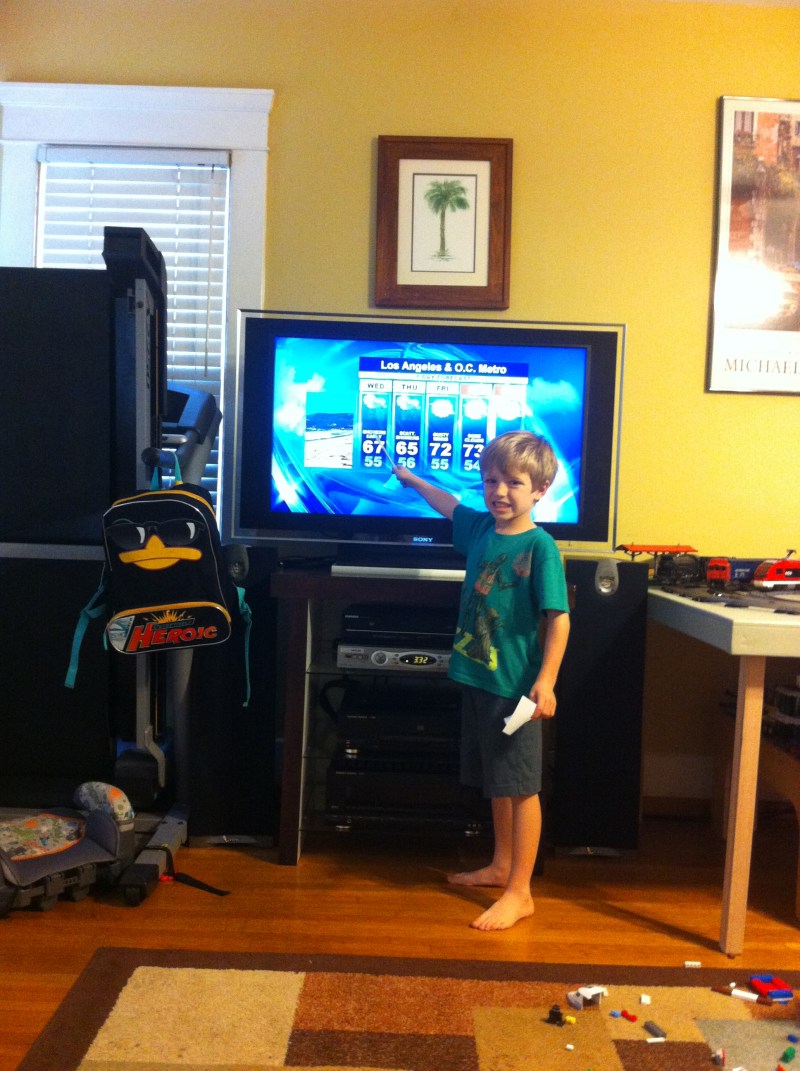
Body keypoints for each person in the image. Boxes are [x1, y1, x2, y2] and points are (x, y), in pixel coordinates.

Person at [392, 430, 570, 931]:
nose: (500, 491)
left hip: (515, 689)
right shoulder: (481, 530)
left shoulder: (540, 547)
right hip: (476, 678)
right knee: (498, 782)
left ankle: (521, 891)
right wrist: (412, 480)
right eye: (491, 480)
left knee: (522, 787)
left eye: (513, 482)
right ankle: (500, 866)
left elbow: (559, 618)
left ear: (540, 490)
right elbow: (449, 505)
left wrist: (546, 682)